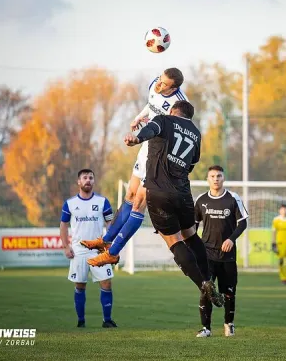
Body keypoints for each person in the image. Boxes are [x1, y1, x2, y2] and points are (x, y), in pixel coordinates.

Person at [80, 68, 188, 266]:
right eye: (160, 80)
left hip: (160, 158)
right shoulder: (155, 83)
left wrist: (142, 136)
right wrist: (140, 117)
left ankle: (113, 252)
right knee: (130, 194)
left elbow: (179, 133)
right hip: (147, 148)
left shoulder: (180, 105)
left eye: (164, 84)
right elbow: (152, 104)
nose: (159, 84)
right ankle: (105, 240)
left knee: (139, 202)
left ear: (175, 88)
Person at [124, 100, 224, 308]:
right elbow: (191, 164)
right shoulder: (196, 134)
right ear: (189, 116)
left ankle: (203, 283)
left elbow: (152, 129)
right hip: (183, 193)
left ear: (172, 111)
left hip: (159, 191)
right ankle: (208, 277)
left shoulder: (164, 120)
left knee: (173, 240)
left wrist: (136, 138)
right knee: (190, 235)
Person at [194, 165, 248, 338]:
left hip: (227, 256)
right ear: (207, 179)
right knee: (206, 290)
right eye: (212, 176)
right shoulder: (201, 200)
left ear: (223, 178)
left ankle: (228, 324)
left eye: (219, 176)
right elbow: (193, 226)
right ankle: (206, 328)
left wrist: (231, 239)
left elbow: (243, 223)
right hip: (207, 255)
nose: (216, 179)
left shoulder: (233, 198)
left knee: (229, 292)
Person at [60, 169, 117, 328]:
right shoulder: (70, 204)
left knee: (106, 283)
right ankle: (81, 321)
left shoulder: (102, 202)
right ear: (79, 182)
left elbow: (110, 223)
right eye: (85, 178)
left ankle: (107, 320)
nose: (88, 180)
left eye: (91, 178)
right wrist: (66, 246)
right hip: (78, 251)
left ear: (94, 181)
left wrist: (110, 244)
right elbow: (63, 225)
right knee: (80, 285)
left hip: (99, 250)